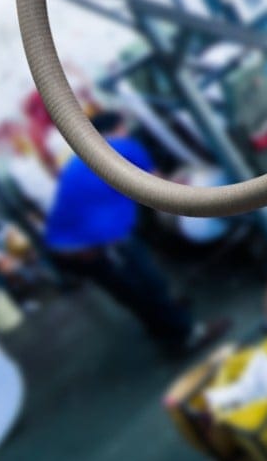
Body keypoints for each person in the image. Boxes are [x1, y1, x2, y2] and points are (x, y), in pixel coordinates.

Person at [44, 112, 226, 353]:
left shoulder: (80, 158)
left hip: (61, 248)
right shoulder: (124, 147)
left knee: (129, 291)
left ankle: (163, 329)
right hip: (94, 244)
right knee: (148, 282)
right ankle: (187, 336)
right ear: (119, 128)